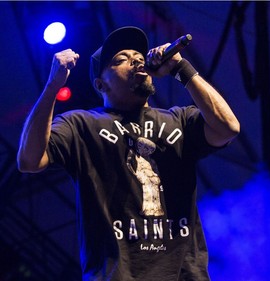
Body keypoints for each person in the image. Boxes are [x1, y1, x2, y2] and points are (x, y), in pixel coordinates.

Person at [17, 26, 240, 281]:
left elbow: (228, 127)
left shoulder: (180, 120)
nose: (135, 60)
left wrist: (181, 69)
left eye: (138, 56)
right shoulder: (81, 125)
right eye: (121, 59)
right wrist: (52, 86)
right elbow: (29, 160)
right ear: (101, 84)